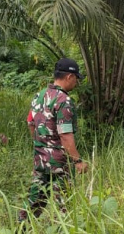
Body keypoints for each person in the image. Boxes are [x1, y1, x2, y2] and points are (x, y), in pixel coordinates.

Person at [18, 57, 89, 223]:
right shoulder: (64, 101)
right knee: (65, 205)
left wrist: (41, 145)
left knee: (35, 201)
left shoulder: (39, 96)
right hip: (60, 163)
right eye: (76, 79)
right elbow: (65, 135)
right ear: (69, 77)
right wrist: (77, 161)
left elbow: (31, 123)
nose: (76, 83)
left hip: (40, 159)